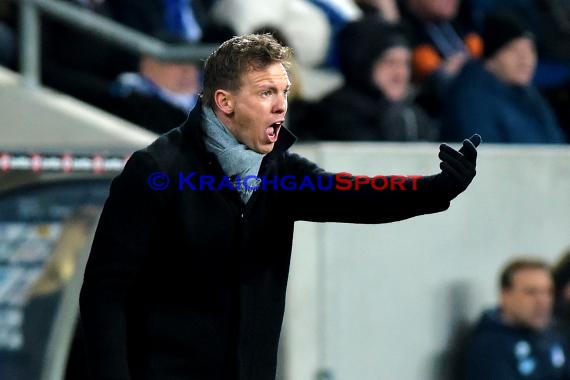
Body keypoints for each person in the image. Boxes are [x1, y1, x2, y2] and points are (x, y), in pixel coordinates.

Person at [79, 33, 481, 380]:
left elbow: (357, 194)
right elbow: (105, 293)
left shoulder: (278, 170)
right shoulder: (157, 170)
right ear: (225, 102)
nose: (281, 106)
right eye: (266, 92)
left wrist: (437, 188)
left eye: (284, 92)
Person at [441, 11, 566, 144]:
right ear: (491, 59)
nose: (526, 60)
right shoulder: (470, 99)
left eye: (530, 50)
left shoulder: (530, 94)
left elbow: (556, 144)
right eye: (513, 50)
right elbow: (486, 156)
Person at [309, 16, 438, 141]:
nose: (401, 74)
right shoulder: (336, 115)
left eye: (406, 64)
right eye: (390, 62)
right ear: (364, 65)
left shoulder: (414, 114)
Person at [462, 257, 570, 380]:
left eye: (547, 292)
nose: (542, 301)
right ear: (505, 295)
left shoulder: (552, 337)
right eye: (531, 292)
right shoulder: (489, 350)